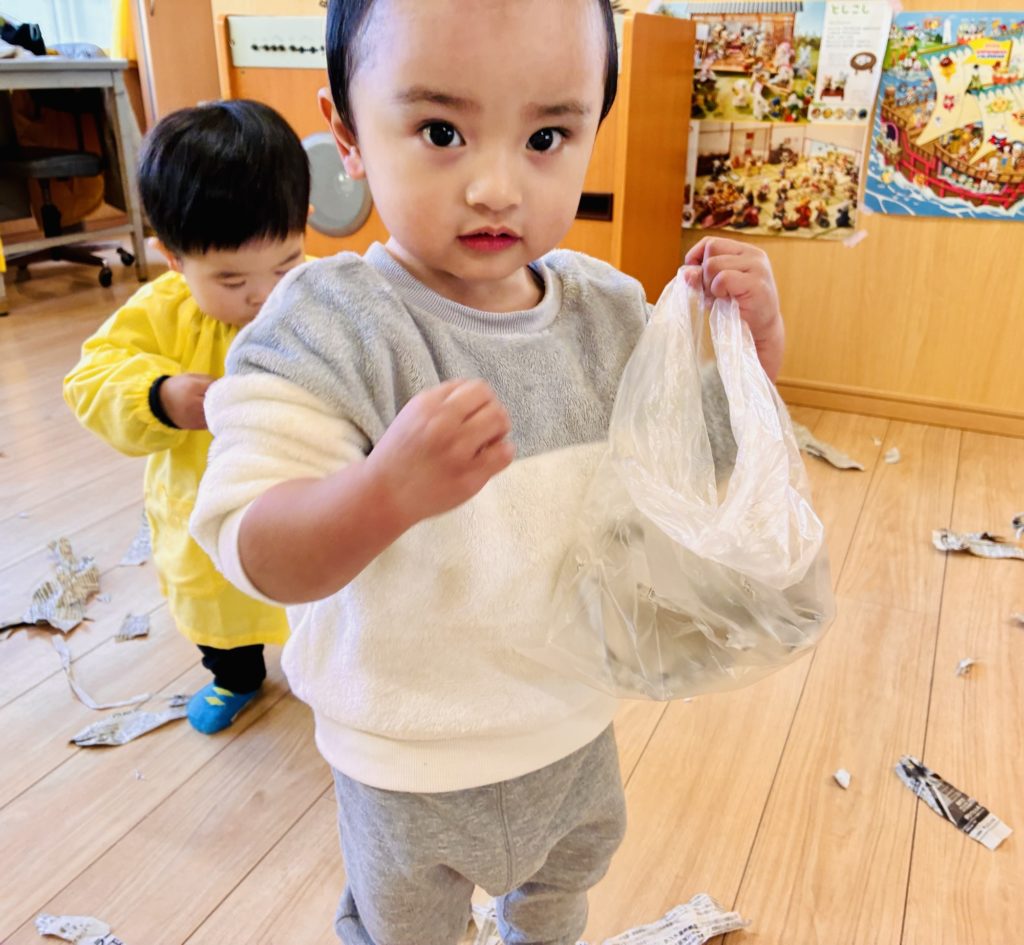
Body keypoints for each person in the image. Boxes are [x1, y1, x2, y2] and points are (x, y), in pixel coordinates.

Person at [191, 1, 786, 942]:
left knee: (559, 897)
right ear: (346, 135)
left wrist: (750, 359)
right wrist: (380, 494)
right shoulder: (330, 325)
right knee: (408, 926)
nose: (498, 187)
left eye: (548, 135)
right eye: (441, 132)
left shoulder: (609, 310)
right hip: (407, 754)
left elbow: (692, 467)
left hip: (570, 724)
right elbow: (257, 546)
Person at [64, 100, 307, 734]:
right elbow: (90, 380)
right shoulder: (162, 311)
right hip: (204, 511)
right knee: (219, 617)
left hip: (306, 505)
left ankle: (325, 670)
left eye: (285, 263)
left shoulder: (318, 298)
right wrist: (161, 394)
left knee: (323, 602)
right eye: (230, 278)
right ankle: (237, 676)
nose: (263, 295)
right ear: (173, 257)